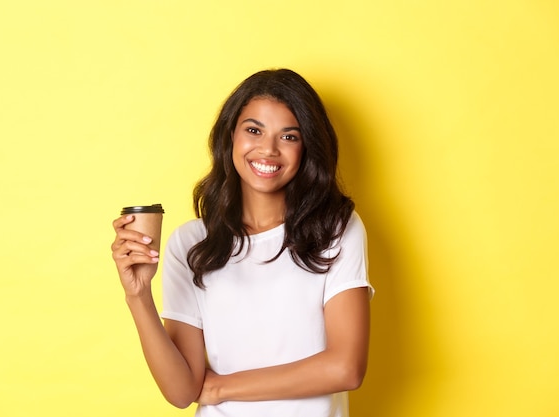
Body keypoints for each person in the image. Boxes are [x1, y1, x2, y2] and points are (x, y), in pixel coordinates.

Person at [111, 68, 373, 417]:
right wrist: (138, 295)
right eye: (253, 130)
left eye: (289, 136)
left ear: (307, 146)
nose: (268, 149)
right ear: (230, 137)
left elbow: (346, 368)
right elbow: (180, 391)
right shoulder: (192, 243)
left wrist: (221, 387)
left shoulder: (335, 228)